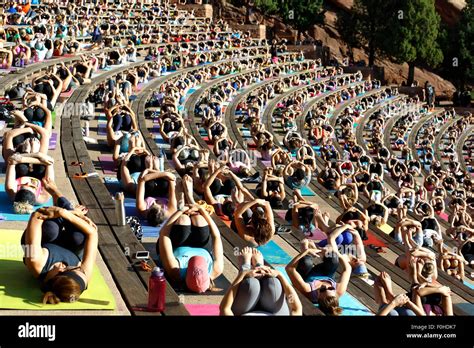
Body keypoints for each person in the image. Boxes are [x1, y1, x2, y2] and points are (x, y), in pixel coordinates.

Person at [22, 203, 98, 304]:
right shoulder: (82, 277)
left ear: (61, 269)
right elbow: (92, 233)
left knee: (51, 229)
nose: (81, 268)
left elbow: (37, 215)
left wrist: (64, 212)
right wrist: (74, 215)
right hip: (67, 243)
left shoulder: (34, 260)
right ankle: (61, 201)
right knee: (79, 237)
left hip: (40, 239)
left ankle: (62, 203)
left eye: (76, 268)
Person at [156, 204, 224, 293]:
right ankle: (193, 210)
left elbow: (164, 234)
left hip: (178, 245)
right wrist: (201, 210)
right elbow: (216, 236)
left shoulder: (175, 270)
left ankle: (186, 211)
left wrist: (180, 211)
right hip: (202, 246)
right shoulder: (216, 269)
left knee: (183, 220)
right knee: (199, 220)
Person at [220, 247, 302, 316]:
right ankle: (259, 267)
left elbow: (225, 308)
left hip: (243, 310)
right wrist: (280, 276)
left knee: (251, 284)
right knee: (273, 282)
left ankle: (246, 268)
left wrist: (242, 274)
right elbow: (295, 308)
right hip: (274, 311)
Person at [286, 239, 352, 316]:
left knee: (306, 262)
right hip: (324, 274)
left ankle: (308, 250)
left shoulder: (307, 290)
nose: (325, 286)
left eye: (322, 290)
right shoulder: (339, 290)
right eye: (331, 288)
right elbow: (348, 269)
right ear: (335, 293)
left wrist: (305, 252)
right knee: (333, 258)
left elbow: (289, 268)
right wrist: (337, 253)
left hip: (306, 275)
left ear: (318, 297)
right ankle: (318, 252)